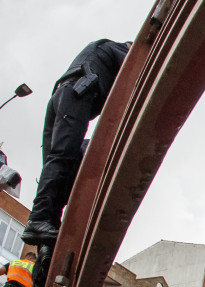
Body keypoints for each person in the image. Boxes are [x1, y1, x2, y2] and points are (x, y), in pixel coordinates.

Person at [21, 40, 131, 245]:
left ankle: (46, 234)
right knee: (64, 155)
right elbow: (136, 70)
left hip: (61, 95)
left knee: (61, 163)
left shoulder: (97, 52)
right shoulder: (119, 48)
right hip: (79, 89)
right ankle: (38, 220)